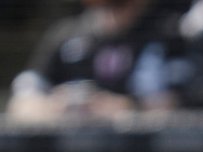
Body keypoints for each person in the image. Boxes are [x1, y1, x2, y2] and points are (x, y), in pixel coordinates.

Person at [7, 0, 185, 121]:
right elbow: (21, 102)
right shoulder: (66, 34)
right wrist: (59, 106)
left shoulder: (166, 35)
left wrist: (124, 108)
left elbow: (178, 105)